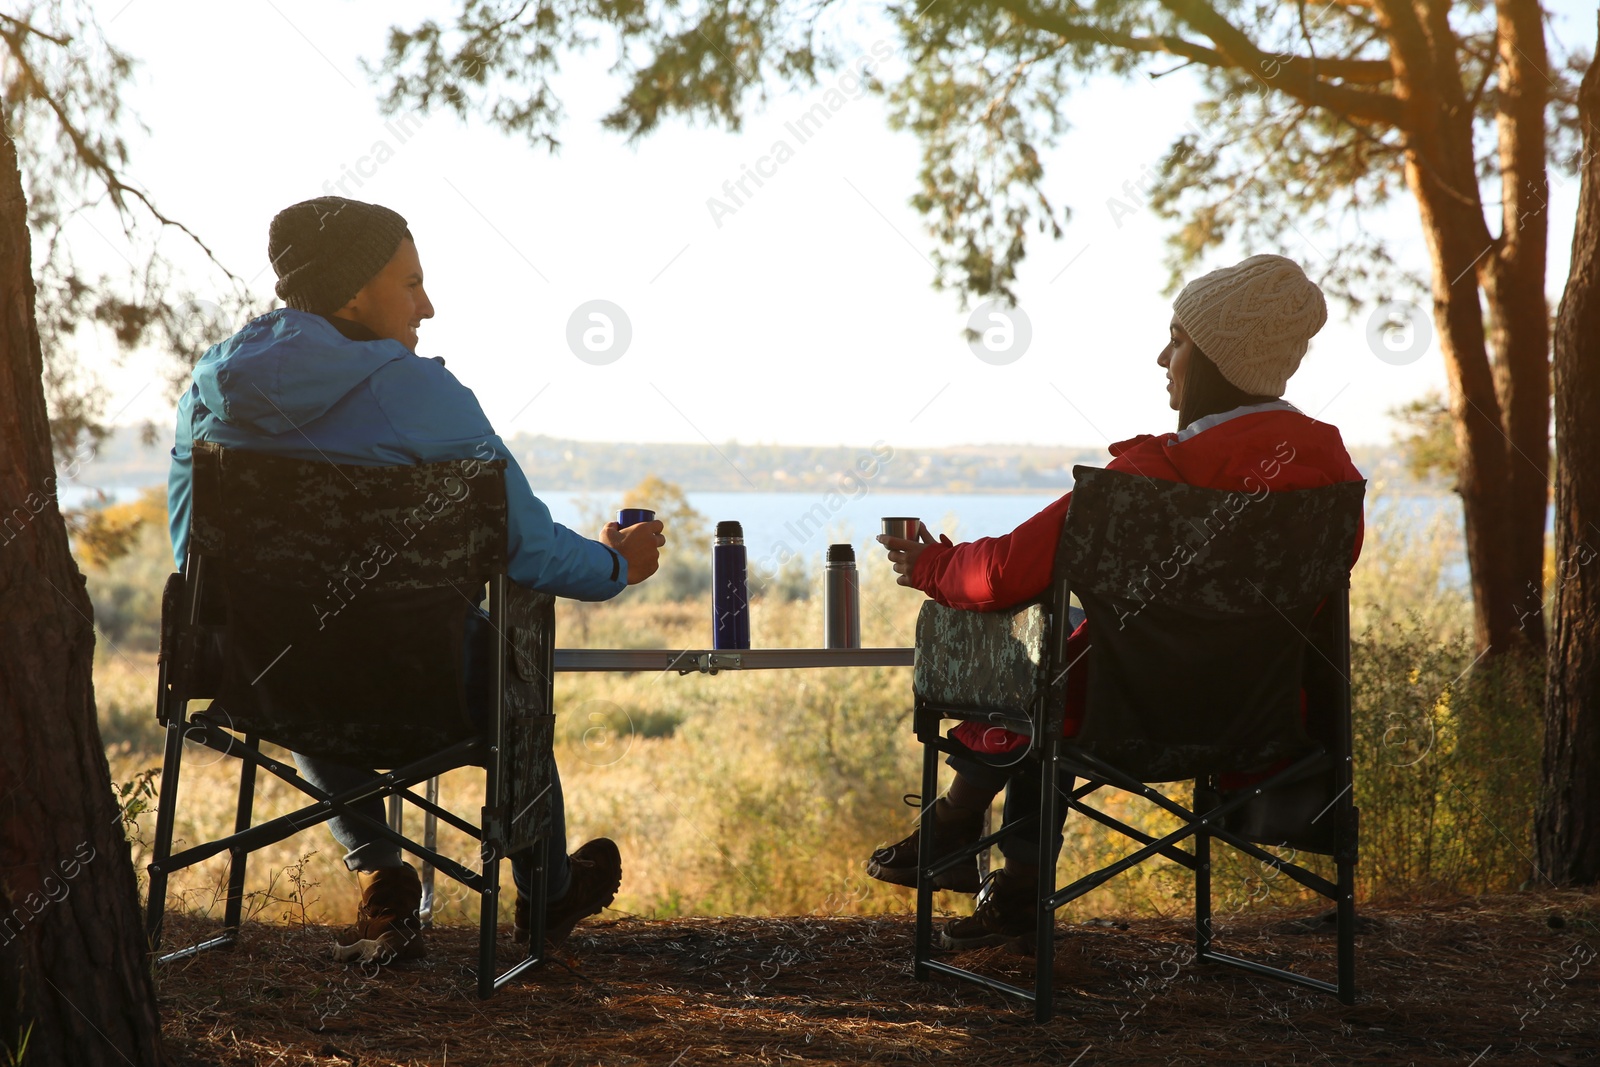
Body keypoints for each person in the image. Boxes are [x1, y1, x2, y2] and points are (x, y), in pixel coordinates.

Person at [167, 196, 666, 963]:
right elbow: (526, 547)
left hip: (255, 674)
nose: (427, 307)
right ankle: (547, 885)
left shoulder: (208, 390)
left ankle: (380, 877)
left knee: (300, 635)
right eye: (411, 283)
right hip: (428, 683)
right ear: (352, 294)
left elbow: (189, 546)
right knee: (500, 654)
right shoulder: (422, 392)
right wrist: (614, 565)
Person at [866, 254, 1364, 948]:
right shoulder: (1332, 479)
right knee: (1074, 653)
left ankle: (983, 858)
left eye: (1179, 339)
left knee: (1045, 683)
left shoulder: (1150, 479)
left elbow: (1004, 574)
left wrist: (929, 564)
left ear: (1220, 357)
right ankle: (968, 850)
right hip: (1264, 723)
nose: (1163, 357)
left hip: (1118, 717)